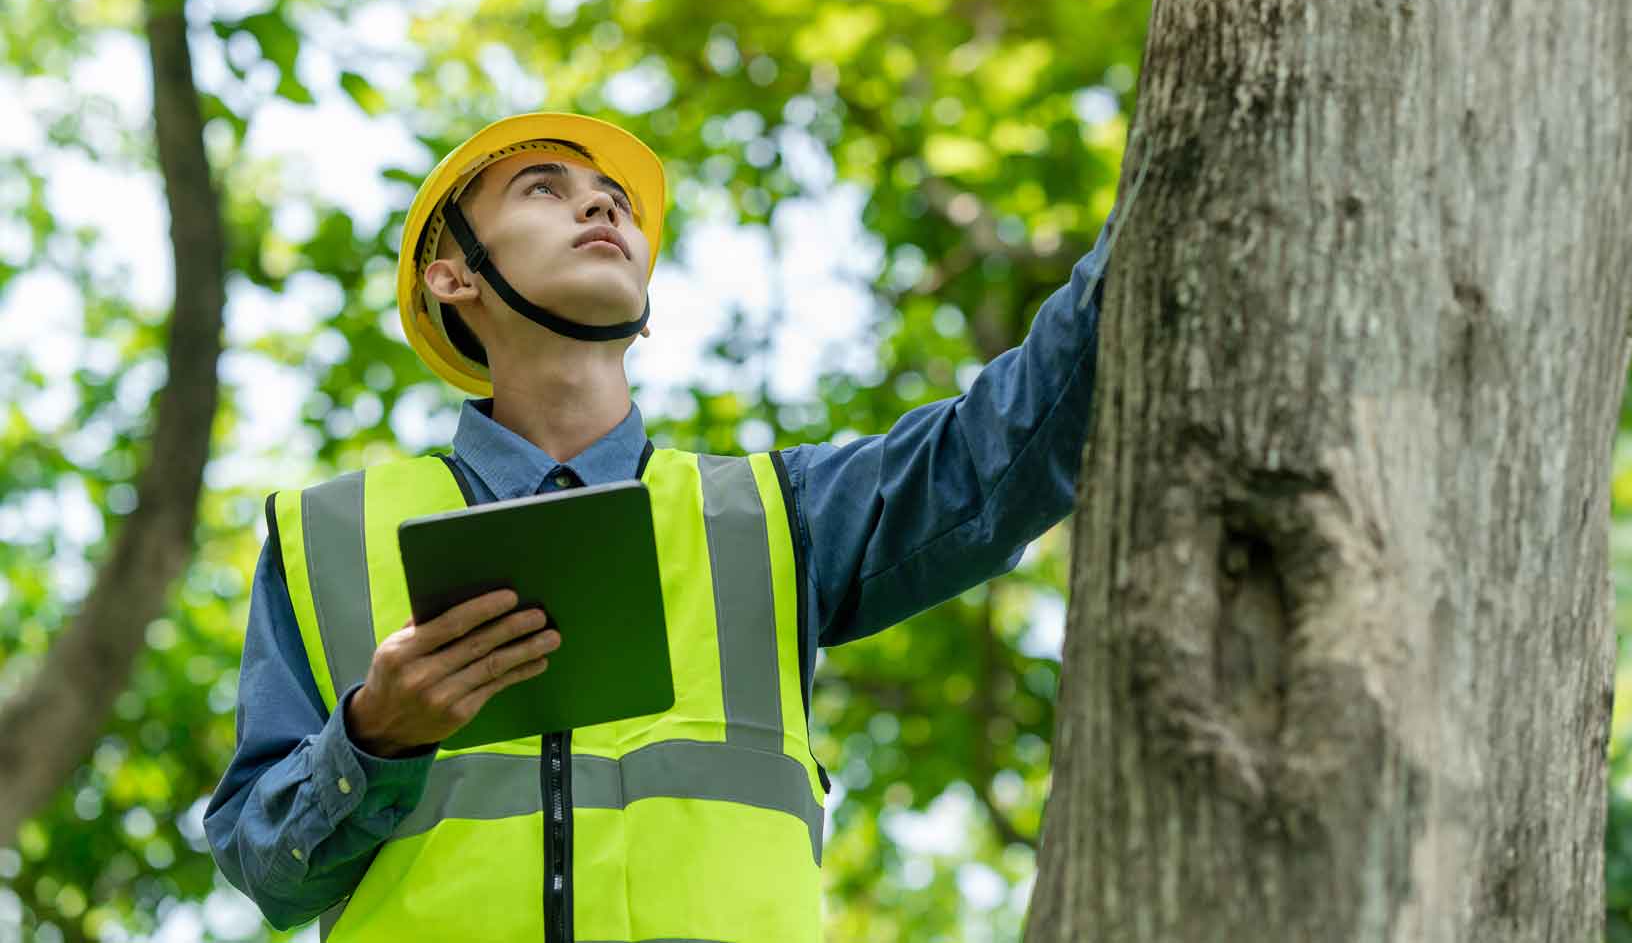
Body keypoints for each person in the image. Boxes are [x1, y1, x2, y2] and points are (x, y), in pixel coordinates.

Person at [202, 111, 1115, 942]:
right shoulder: (326, 536)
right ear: (452, 274)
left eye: (617, 203)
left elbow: (1007, 447)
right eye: (544, 188)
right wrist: (373, 735)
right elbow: (263, 866)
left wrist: (1145, 208)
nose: (598, 204)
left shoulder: (774, 516)